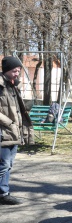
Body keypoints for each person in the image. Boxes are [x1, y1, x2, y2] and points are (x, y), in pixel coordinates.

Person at [0, 56, 34, 205]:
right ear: (6, 70)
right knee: (4, 164)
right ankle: (3, 193)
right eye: (14, 70)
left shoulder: (13, 86)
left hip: (14, 131)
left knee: (8, 164)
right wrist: (8, 122)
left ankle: (4, 193)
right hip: (4, 131)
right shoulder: (1, 85)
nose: (17, 73)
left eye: (19, 70)